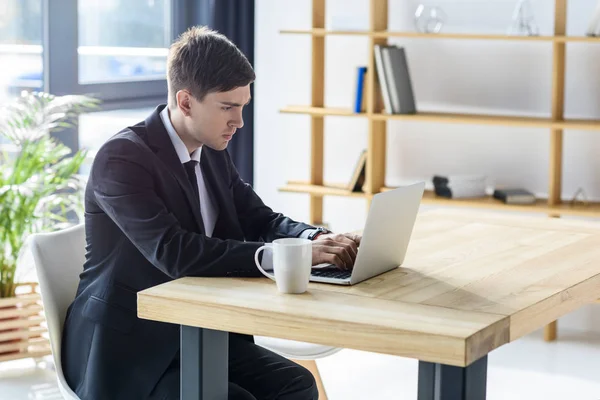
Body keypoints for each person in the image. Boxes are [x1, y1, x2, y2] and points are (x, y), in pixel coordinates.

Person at [61, 25, 362, 400]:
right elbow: (175, 252)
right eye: (228, 108)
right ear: (186, 102)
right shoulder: (121, 158)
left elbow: (260, 218)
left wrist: (314, 239)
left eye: (242, 107)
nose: (239, 121)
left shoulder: (213, 150)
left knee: (295, 385)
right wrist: (290, 256)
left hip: (198, 328)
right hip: (129, 349)